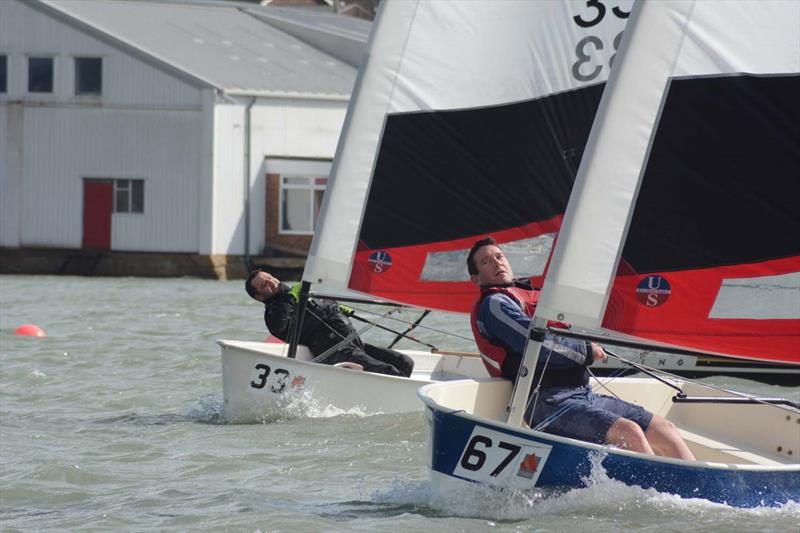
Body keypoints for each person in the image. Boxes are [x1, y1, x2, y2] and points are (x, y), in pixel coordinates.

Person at [467, 237, 694, 460]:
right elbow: (535, 343)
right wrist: (585, 350)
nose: (497, 263)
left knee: (667, 430)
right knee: (630, 433)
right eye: (486, 262)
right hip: (547, 402)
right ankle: (656, 497)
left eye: (499, 256)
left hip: (582, 394)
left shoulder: (531, 295)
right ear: (475, 279)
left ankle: (700, 492)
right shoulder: (494, 304)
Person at [245, 268, 414, 377]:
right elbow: (279, 326)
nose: (271, 282)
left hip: (353, 344)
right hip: (334, 352)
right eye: (264, 285)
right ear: (259, 297)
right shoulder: (274, 311)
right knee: (391, 373)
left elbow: (319, 310)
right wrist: (291, 297)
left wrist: (336, 307)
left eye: (268, 277)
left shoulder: (298, 295)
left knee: (405, 362)